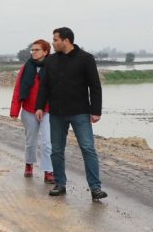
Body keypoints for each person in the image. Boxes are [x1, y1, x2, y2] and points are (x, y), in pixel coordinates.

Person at [35, 27, 107, 201]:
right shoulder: (50, 61)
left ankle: (95, 188)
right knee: (57, 150)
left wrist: (96, 111)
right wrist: (39, 106)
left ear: (66, 40)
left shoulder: (86, 59)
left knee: (88, 148)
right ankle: (60, 184)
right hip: (57, 113)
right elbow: (44, 86)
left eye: (56, 40)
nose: (53, 43)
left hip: (80, 112)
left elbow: (95, 86)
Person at [10, 39, 54, 184]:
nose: (33, 52)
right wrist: (14, 111)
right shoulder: (26, 67)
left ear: (46, 52)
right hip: (29, 110)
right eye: (32, 50)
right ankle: (29, 164)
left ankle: (48, 171)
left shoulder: (53, 66)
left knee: (47, 142)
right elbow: (18, 89)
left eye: (37, 50)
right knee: (31, 142)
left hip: (48, 110)